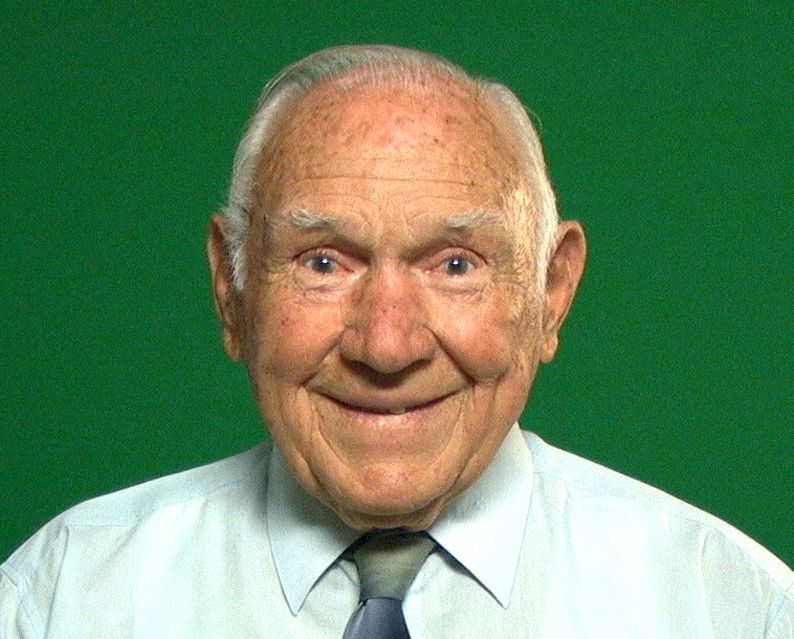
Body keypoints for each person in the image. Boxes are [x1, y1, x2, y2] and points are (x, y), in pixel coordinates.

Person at [1, 45, 791, 638]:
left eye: (455, 264)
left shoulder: (732, 609)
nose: (386, 344)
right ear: (231, 288)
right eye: (323, 261)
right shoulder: (60, 598)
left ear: (551, 295)